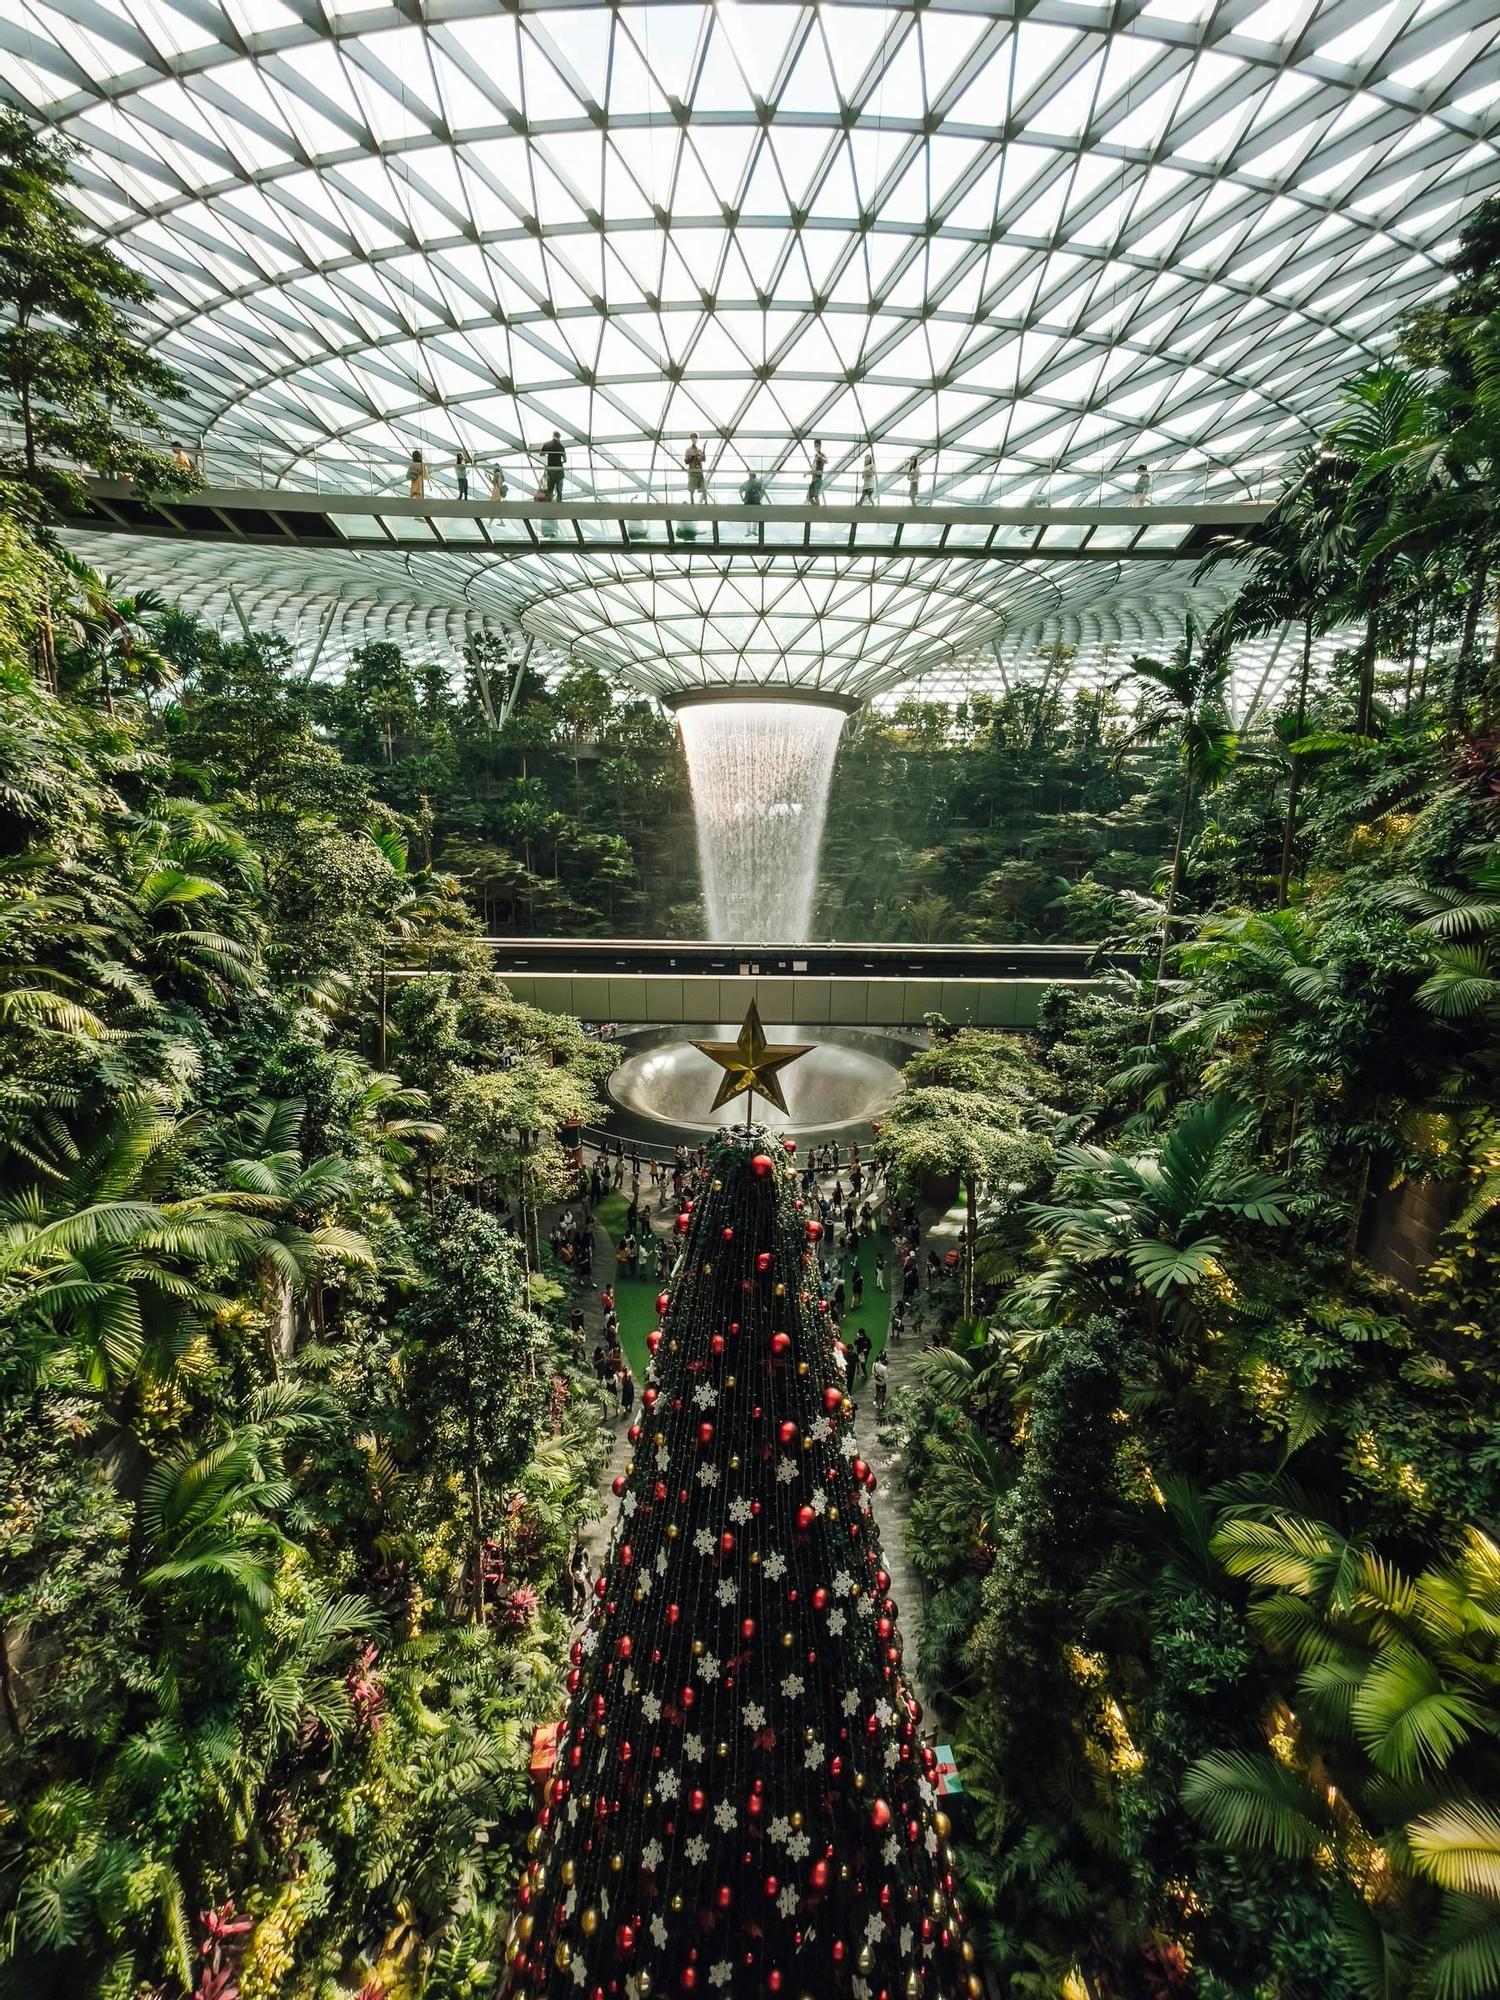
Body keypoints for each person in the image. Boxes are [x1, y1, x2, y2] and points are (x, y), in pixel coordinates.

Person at [543, 430, 566, 501]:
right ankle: (559, 503)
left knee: (550, 488)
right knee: (559, 489)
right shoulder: (561, 446)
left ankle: (548, 503)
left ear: (553, 436)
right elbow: (565, 459)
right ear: (559, 437)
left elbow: (541, 453)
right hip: (559, 468)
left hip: (550, 467)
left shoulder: (547, 444)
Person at [684, 431, 706, 501]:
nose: (694, 440)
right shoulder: (688, 450)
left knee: (703, 489)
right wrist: (693, 456)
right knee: (692, 489)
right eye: (693, 438)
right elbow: (686, 461)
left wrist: (704, 450)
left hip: (699, 472)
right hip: (692, 472)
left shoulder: (699, 450)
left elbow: (703, 459)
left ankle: (705, 503)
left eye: (696, 438)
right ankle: (692, 502)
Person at [807, 439, 827, 505]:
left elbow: (826, 461)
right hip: (814, 479)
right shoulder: (815, 458)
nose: (816, 448)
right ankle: (815, 509)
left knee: (816, 496)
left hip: (818, 479)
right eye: (815, 446)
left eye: (817, 446)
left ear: (820, 446)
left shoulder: (821, 455)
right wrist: (807, 473)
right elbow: (813, 469)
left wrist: (820, 456)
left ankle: (817, 510)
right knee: (809, 497)